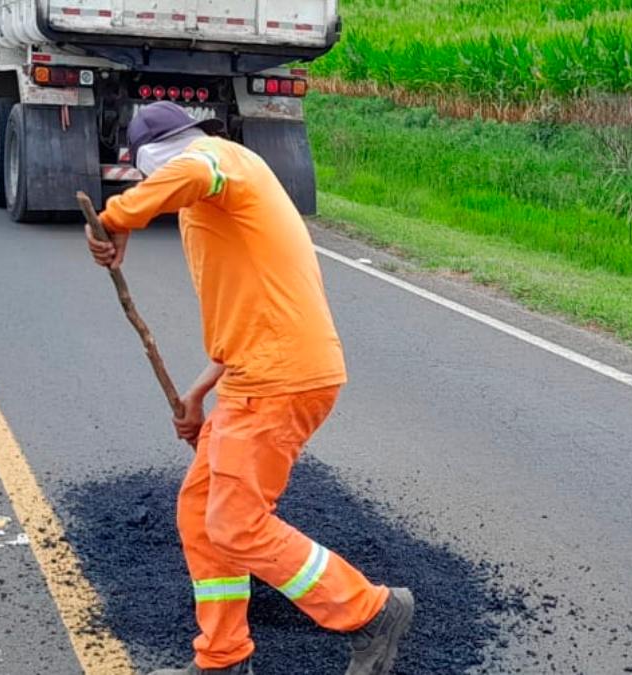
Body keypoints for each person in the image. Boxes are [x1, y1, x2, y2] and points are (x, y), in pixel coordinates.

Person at [85, 101, 414, 675]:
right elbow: (247, 319)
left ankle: (370, 611)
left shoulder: (219, 158)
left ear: (153, 163)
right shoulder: (219, 205)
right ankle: (223, 658)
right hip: (257, 374)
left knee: (237, 524)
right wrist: (197, 394)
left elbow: (194, 169)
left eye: (149, 178)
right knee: (199, 512)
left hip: (279, 380)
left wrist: (117, 218)